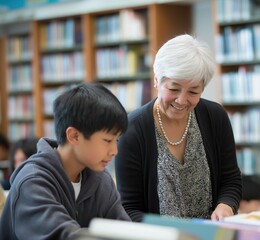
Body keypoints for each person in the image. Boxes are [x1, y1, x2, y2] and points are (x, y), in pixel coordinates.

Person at [115, 34, 242, 222]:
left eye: (193, 92)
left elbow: (231, 179)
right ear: (157, 80)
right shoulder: (132, 130)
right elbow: (129, 208)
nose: (182, 100)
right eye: (174, 89)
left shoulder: (215, 117)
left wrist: (226, 206)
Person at [0, 83, 130, 240]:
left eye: (117, 140)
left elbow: (125, 231)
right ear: (74, 136)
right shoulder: (32, 182)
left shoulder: (102, 180)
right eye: (108, 140)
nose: (114, 151)